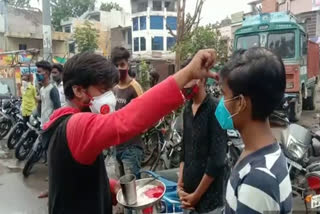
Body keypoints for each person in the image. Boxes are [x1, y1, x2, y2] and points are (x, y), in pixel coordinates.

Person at [42, 49, 216, 214]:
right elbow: (126, 120)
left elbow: (76, 179)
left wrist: (111, 186)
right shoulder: (77, 125)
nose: (109, 97)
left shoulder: (60, 123)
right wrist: (187, 74)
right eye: (103, 91)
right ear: (79, 90)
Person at [220, 48, 292, 214]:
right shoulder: (260, 152)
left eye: (223, 94)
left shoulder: (258, 180)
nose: (221, 103)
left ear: (241, 103)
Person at [178, 59, 227, 214]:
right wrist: (180, 184)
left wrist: (196, 196)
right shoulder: (187, 109)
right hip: (188, 196)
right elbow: (184, 149)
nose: (184, 84)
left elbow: (217, 160)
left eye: (189, 78)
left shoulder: (216, 108)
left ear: (200, 79)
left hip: (209, 201)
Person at [111, 47, 144, 178]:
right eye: (116, 65)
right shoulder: (114, 88)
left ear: (128, 64)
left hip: (131, 148)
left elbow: (144, 113)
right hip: (116, 146)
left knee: (132, 189)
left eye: (122, 64)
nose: (119, 68)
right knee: (122, 190)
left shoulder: (134, 87)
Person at [36, 60, 61, 127]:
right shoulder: (42, 89)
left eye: (39, 72)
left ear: (46, 73)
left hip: (50, 126)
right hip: (43, 124)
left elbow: (57, 110)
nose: (37, 74)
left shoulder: (52, 89)